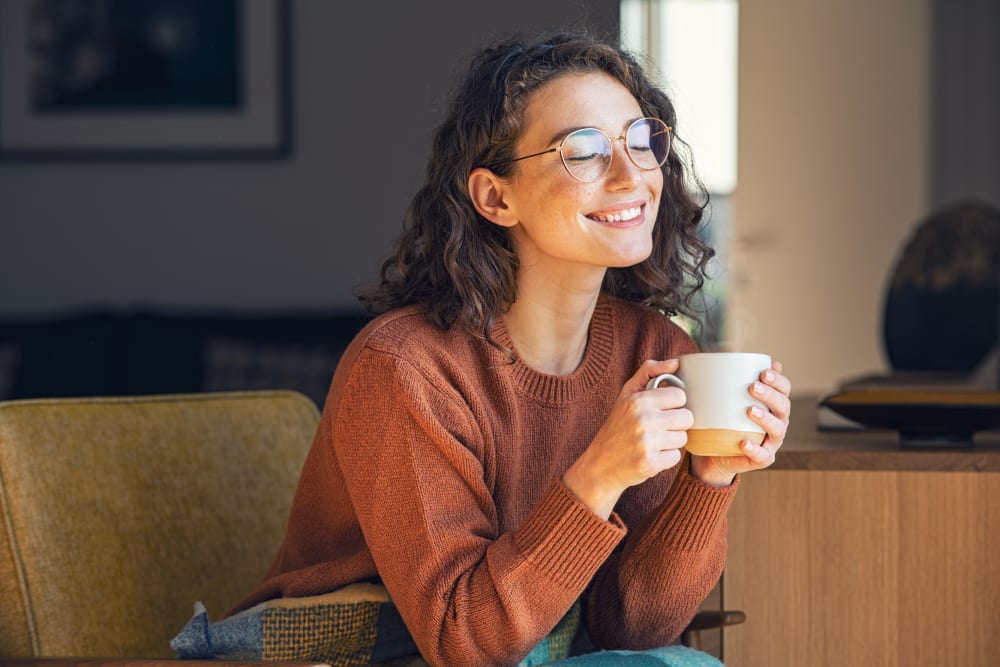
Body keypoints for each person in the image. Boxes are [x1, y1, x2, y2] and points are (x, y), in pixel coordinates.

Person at [229, 30, 791, 666]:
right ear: (496, 197)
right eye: (583, 151)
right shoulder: (405, 369)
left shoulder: (654, 350)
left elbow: (628, 630)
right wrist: (598, 475)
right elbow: (461, 642)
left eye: (641, 140)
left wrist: (707, 479)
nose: (631, 174)